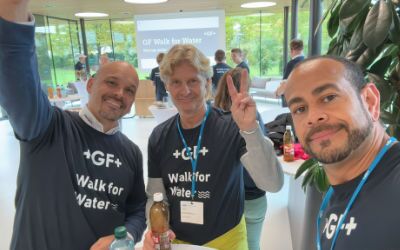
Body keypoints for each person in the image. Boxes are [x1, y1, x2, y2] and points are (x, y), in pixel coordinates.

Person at [0, 2, 147, 249]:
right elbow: (14, 66)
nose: (119, 93)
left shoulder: (131, 152)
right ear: (90, 85)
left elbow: (137, 209)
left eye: (129, 90)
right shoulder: (47, 126)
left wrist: (128, 235)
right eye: (111, 83)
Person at [143, 44, 283, 250]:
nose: (185, 90)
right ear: (167, 86)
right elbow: (156, 196)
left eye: (193, 81)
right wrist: (154, 228)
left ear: (208, 83)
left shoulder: (231, 126)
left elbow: (272, 183)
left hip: (227, 240)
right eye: (176, 82)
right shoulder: (159, 136)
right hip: (177, 242)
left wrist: (250, 129)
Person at [284, 55, 400, 250]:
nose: (312, 117)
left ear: (370, 101)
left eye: (329, 97)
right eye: (300, 108)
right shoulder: (335, 193)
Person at [214, 67, 268, 250]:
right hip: (254, 196)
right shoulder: (253, 117)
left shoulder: (212, 119)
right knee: (252, 244)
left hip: (224, 198)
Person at [276, 39, 304, 107]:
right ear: (302, 48)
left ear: (291, 50)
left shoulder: (291, 64)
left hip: (290, 99)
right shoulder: (307, 62)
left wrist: (277, 93)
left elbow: (285, 84)